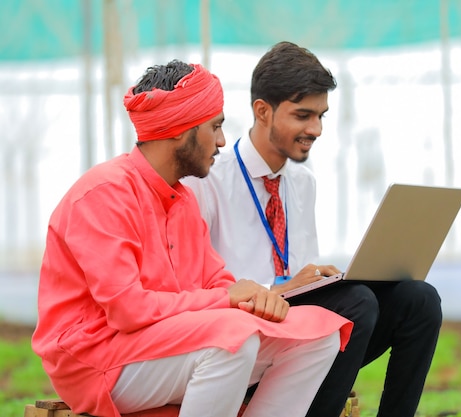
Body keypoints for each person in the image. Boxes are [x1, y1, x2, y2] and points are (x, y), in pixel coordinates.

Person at [31, 59, 353, 417]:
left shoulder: (181, 199)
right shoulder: (103, 194)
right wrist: (227, 301)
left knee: (317, 336)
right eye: (214, 127)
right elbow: (128, 311)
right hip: (96, 359)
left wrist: (259, 299)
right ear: (178, 131)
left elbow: (217, 282)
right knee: (231, 341)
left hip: (166, 344)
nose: (221, 140)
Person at [183, 42, 443, 417]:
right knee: (357, 304)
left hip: (298, 323)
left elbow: (300, 270)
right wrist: (277, 290)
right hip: (243, 336)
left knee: (418, 299)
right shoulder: (208, 182)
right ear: (262, 111)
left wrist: (321, 280)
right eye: (303, 115)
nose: (316, 129)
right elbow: (199, 287)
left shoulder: (302, 183)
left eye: (321, 116)